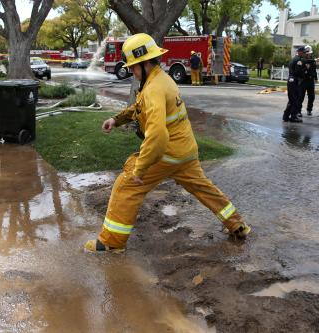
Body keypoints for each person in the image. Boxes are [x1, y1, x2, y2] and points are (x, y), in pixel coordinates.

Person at [84, 33, 251, 253]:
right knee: (203, 188)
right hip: (186, 152)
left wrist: (140, 169)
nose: (132, 71)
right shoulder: (160, 79)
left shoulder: (153, 88)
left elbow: (157, 137)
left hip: (167, 153)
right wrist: (117, 119)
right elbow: (139, 107)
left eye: (133, 66)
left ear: (144, 63)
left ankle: (111, 242)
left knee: (126, 187)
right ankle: (237, 224)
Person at [283, 46, 306, 123]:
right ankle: (293, 117)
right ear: (299, 52)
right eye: (303, 52)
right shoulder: (299, 60)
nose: (304, 54)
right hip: (295, 81)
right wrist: (304, 73)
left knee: (291, 99)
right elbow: (298, 72)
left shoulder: (293, 59)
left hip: (290, 80)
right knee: (295, 99)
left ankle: (286, 116)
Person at [299, 45, 317, 116]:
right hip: (303, 80)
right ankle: (298, 110)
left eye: (309, 53)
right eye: (307, 53)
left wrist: (315, 78)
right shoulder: (301, 60)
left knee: (312, 96)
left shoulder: (312, 61)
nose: (309, 54)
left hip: (310, 81)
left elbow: (314, 70)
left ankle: (309, 109)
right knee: (301, 96)